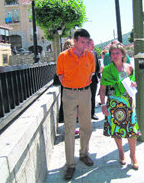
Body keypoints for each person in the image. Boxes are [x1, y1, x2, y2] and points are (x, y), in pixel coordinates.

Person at [56, 29, 95, 180]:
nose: (85, 45)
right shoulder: (63, 56)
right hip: (69, 94)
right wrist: (71, 87)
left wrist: (81, 86)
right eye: (82, 42)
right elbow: (60, 75)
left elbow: (91, 73)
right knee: (70, 129)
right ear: (75, 41)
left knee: (87, 127)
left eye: (87, 42)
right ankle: (70, 164)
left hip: (85, 93)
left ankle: (84, 154)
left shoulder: (90, 55)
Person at [99, 43, 141, 170]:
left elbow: (132, 85)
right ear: (110, 56)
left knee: (132, 131)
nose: (115, 55)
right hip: (113, 103)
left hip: (128, 102)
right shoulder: (107, 70)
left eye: (118, 53)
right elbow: (102, 90)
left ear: (123, 54)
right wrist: (103, 105)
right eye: (113, 53)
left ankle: (133, 156)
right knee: (116, 130)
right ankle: (121, 152)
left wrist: (134, 84)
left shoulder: (129, 68)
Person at [87, 38, 101, 120]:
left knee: (93, 97)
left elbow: (97, 66)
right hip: (85, 79)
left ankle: (92, 113)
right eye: (92, 44)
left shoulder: (94, 53)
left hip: (94, 79)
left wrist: (99, 76)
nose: (93, 46)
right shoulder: (82, 54)